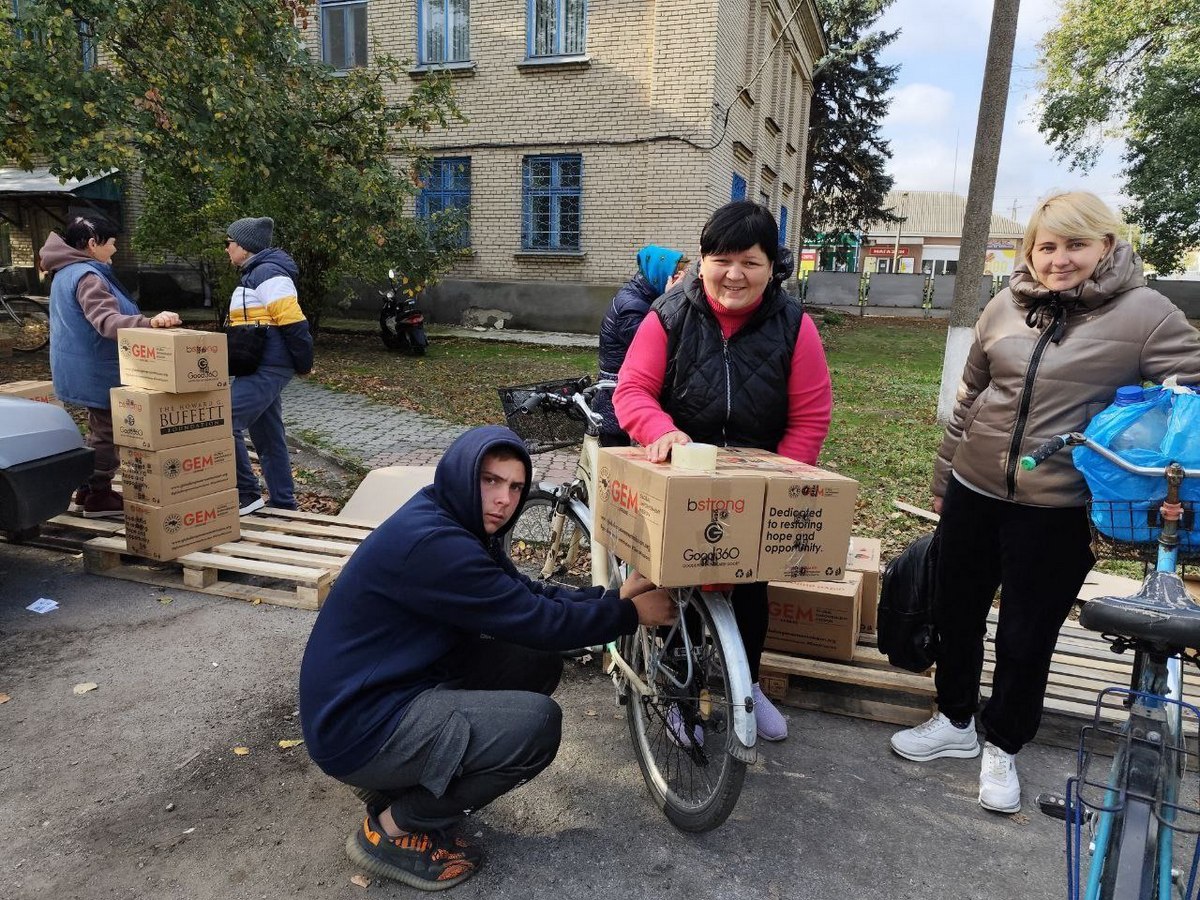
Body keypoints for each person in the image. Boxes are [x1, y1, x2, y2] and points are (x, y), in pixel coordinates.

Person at [889, 191, 1200, 814]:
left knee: (1026, 634)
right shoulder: (1005, 304)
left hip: (1059, 507)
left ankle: (1003, 743)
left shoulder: (1145, 313)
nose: (1060, 259)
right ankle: (954, 721)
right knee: (956, 612)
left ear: (1106, 246)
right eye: (1047, 246)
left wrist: (1146, 428)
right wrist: (945, 482)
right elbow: (970, 398)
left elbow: (1191, 386)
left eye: (1076, 245)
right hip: (976, 491)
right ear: (1030, 250)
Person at [298, 425, 675, 891]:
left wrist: (609, 597)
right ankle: (393, 828)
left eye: (515, 487)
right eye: (491, 481)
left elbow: (523, 595)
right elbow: (537, 620)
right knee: (536, 726)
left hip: (384, 690)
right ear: (463, 474)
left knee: (533, 661)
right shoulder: (438, 546)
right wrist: (628, 615)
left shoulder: (452, 518)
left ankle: (400, 779)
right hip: (357, 726)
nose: (504, 499)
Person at [613, 200, 834, 742]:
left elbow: (810, 415)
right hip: (682, 469)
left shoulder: (794, 324)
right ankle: (675, 692)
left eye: (751, 261)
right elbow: (633, 391)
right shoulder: (668, 315)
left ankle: (747, 684)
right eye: (722, 258)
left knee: (751, 585)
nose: (735, 274)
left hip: (757, 478)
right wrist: (662, 432)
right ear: (705, 260)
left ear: (771, 267)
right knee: (678, 579)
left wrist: (783, 477)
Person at [42, 214, 182, 518]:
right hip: (97, 369)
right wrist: (150, 322)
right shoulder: (87, 276)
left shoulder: (66, 271)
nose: (115, 250)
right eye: (112, 244)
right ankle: (99, 496)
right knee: (108, 432)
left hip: (82, 366)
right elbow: (106, 322)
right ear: (93, 244)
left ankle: (86, 490)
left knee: (98, 429)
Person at [223, 217, 313, 515]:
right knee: (268, 435)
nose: (226, 249)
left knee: (223, 422)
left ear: (245, 247)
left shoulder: (269, 273)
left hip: (269, 365)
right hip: (261, 365)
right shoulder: (256, 273)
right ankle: (284, 503)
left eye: (229, 243)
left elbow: (294, 322)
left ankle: (247, 495)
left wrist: (304, 363)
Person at [594, 244, 687, 446]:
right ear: (659, 273)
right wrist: (669, 299)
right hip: (617, 394)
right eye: (677, 273)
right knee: (616, 462)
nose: (682, 280)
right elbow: (656, 348)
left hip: (621, 391)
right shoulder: (631, 305)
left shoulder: (643, 297)